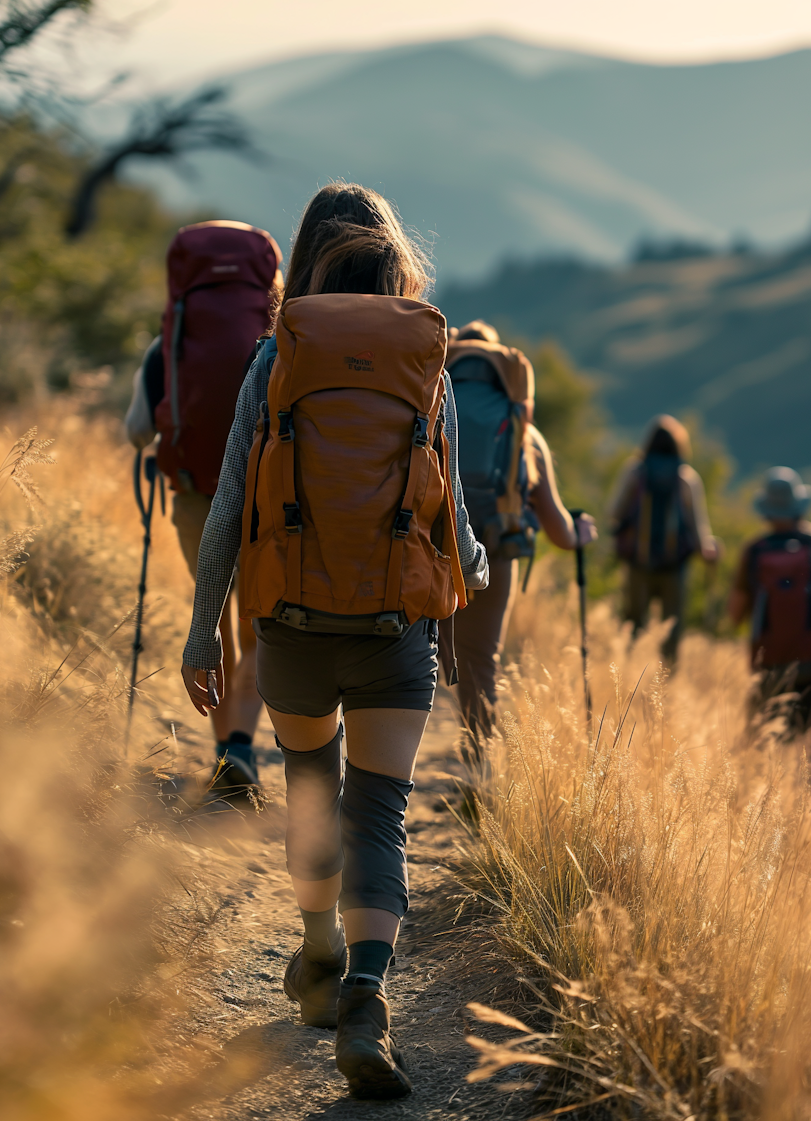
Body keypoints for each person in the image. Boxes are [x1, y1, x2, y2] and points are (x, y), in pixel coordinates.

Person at [178, 182, 489, 1099]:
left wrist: (206, 631)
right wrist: (470, 571)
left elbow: (231, 506)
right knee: (380, 810)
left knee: (313, 786)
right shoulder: (426, 362)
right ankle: (365, 993)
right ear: (398, 270)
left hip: (294, 628)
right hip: (396, 627)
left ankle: (318, 953)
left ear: (302, 263)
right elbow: (453, 507)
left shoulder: (276, 357)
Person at [126, 220, 284, 796]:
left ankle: (224, 755)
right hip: (264, 496)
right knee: (257, 622)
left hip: (196, 492)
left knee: (213, 623)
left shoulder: (166, 345)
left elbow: (138, 431)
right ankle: (242, 745)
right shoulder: (280, 349)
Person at [444, 320, 597, 753]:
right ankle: (478, 773)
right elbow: (560, 530)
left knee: (415, 662)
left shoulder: (428, 409)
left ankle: (393, 777)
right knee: (479, 663)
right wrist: (580, 533)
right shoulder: (522, 431)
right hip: (494, 553)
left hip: (429, 549)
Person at [727, 467, 811, 736]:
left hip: (769, 660)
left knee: (764, 741)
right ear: (800, 505)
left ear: (765, 509)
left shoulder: (754, 550)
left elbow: (735, 613)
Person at [609, 414, 718, 664]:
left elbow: (614, 513)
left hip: (638, 561)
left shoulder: (635, 472)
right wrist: (707, 550)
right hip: (675, 565)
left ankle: (625, 675)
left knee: (633, 622)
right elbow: (698, 525)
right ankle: (667, 682)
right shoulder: (685, 478)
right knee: (672, 628)